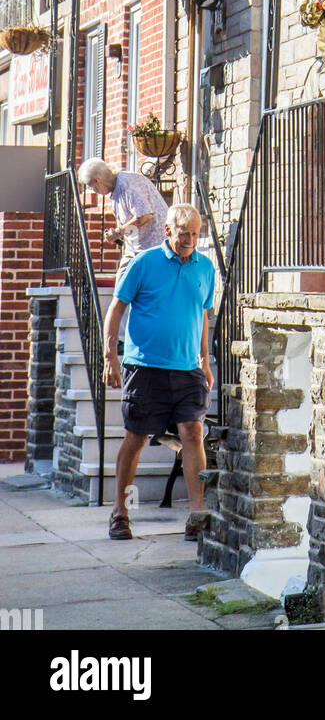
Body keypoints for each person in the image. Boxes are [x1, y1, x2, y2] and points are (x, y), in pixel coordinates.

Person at [102, 204, 215, 542]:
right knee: (135, 437)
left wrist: (206, 360)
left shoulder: (205, 267)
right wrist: (110, 356)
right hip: (145, 367)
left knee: (193, 434)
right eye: (183, 233)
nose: (189, 240)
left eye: (195, 234)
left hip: (188, 369)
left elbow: (203, 315)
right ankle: (121, 513)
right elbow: (116, 308)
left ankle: (197, 515)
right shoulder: (144, 263)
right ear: (168, 231)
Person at [78, 159, 168, 288]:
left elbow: (145, 215)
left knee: (133, 290)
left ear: (98, 180)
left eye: (91, 186)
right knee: (123, 287)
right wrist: (119, 233)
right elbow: (133, 222)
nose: (93, 191)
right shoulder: (117, 190)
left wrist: (118, 232)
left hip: (154, 248)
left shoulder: (127, 185)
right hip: (138, 249)